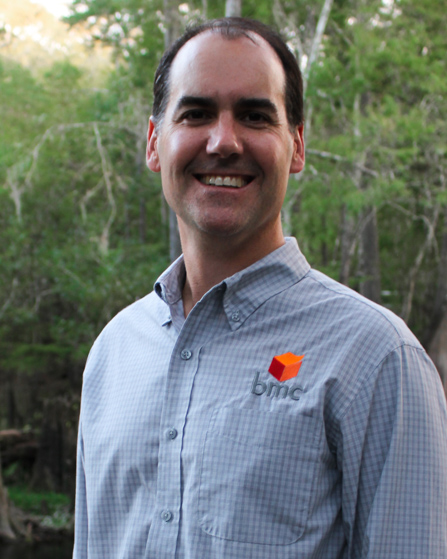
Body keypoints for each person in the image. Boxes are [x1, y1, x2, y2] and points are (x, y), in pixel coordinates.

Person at [73, 17, 447, 559]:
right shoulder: (114, 351)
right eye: (196, 113)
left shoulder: (377, 358)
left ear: (295, 147)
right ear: (155, 144)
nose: (224, 142)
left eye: (254, 116)